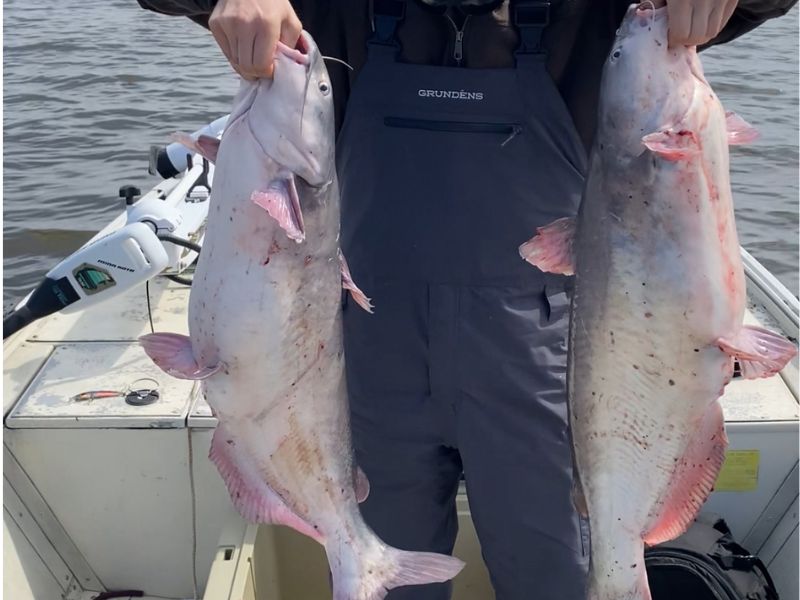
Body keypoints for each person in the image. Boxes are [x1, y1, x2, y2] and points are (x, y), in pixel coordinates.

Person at [137, 1, 795, 598]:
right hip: (366, 363)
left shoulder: (600, 17)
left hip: (544, 364)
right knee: (389, 579)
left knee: (557, 577)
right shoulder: (333, 12)